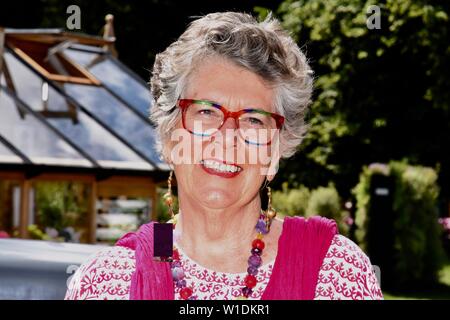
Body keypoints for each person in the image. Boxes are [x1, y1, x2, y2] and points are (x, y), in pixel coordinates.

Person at [65, 12, 383, 300]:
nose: (227, 137)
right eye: (205, 112)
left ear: (275, 152)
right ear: (169, 136)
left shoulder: (333, 272)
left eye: (253, 120)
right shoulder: (111, 282)